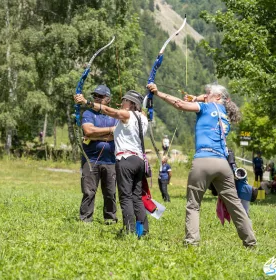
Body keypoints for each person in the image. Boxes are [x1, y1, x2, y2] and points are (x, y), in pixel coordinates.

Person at [146, 83, 256, 247]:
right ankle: (251, 241)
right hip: (222, 164)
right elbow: (202, 99)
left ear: (217, 97)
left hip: (203, 160)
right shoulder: (225, 113)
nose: (205, 95)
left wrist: (158, 93)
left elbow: (179, 104)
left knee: (193, 204)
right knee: (235, 205)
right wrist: (196, 97)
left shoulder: (205, 107)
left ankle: (191, 241)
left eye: (208, 93)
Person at [75, 89, 149, 236]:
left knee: (125, 197)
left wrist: (86, 102)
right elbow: (89, 132)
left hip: (125, 160)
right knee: (136, 198)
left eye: (124, 101)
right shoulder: (143, 117)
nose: (121, 103)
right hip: (139, 160)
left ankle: (129, 231)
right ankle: (142, 232)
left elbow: (110, 111)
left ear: (131, 104)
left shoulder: (126, 115)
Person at [79, 85, 118, 224]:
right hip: (91, 159)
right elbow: (88, 131)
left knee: (110, 193)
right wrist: (109, 130)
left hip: (111, 161)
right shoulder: (88, 113)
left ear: (108, 99)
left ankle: (110, 219)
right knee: (89, 191)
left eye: (100, 97)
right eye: (95, 96)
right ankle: (85, 220)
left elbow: (118, 135)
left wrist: (97, 135)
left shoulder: (115, 115)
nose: (96, 99)